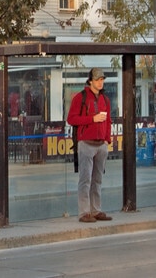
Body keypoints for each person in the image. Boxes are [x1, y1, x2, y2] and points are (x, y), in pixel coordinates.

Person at [67, 67, 112, 223]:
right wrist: (92, 119)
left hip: (101, 144)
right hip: (86, 143)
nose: (100, 82)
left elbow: (108, 121)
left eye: (102, 80)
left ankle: (96, 210)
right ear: (90, 81)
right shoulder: (80, 98)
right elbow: (71, 119)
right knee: (85, 179)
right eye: (98, 79)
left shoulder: (105, 99)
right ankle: (84, 212)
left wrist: (107, 139)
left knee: (97, 179)